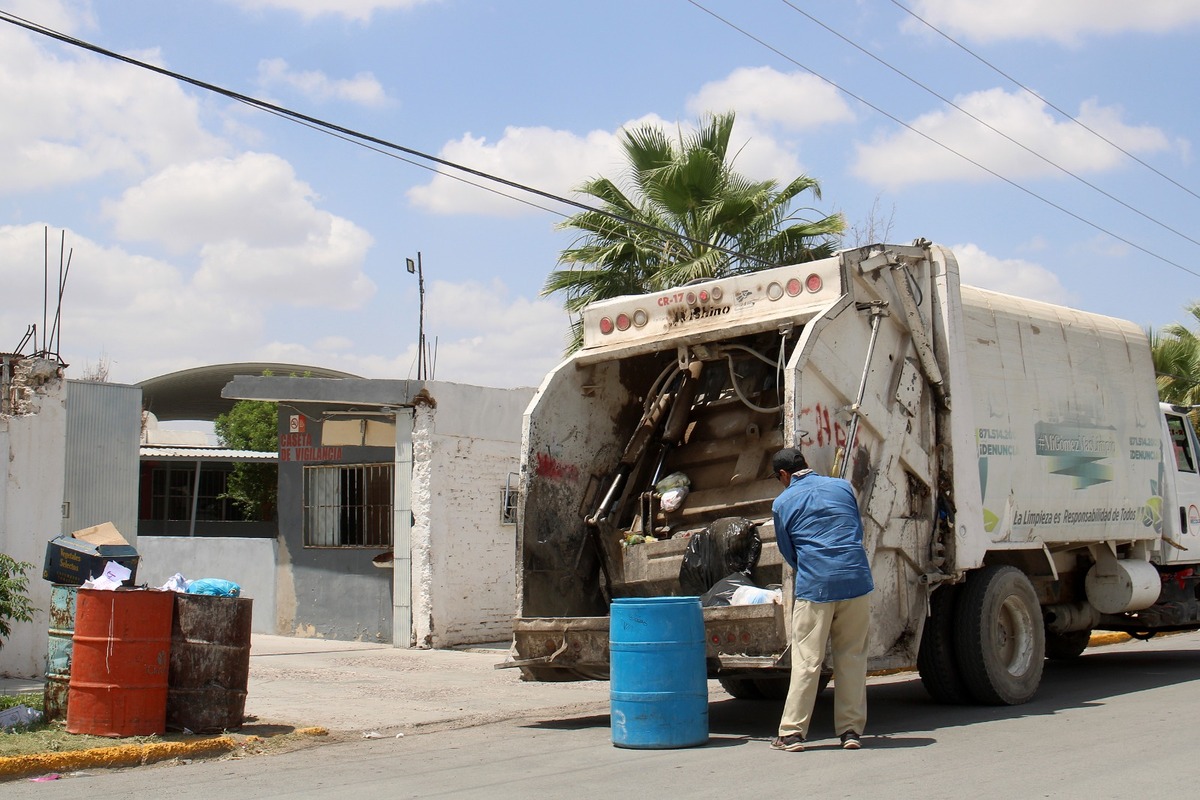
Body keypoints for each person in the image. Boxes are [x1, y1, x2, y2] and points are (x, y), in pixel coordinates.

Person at [769, 446, 874, 752]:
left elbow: (789, 552)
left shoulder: (782, 502)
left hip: (816, 586)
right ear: (808, 465)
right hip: (855, 579)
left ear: (784, 475)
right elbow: (855, 529)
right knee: (852, 657)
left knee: (808, 660)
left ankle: (791, 734)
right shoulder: (842, 487)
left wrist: (812, 570)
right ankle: (851, 732)